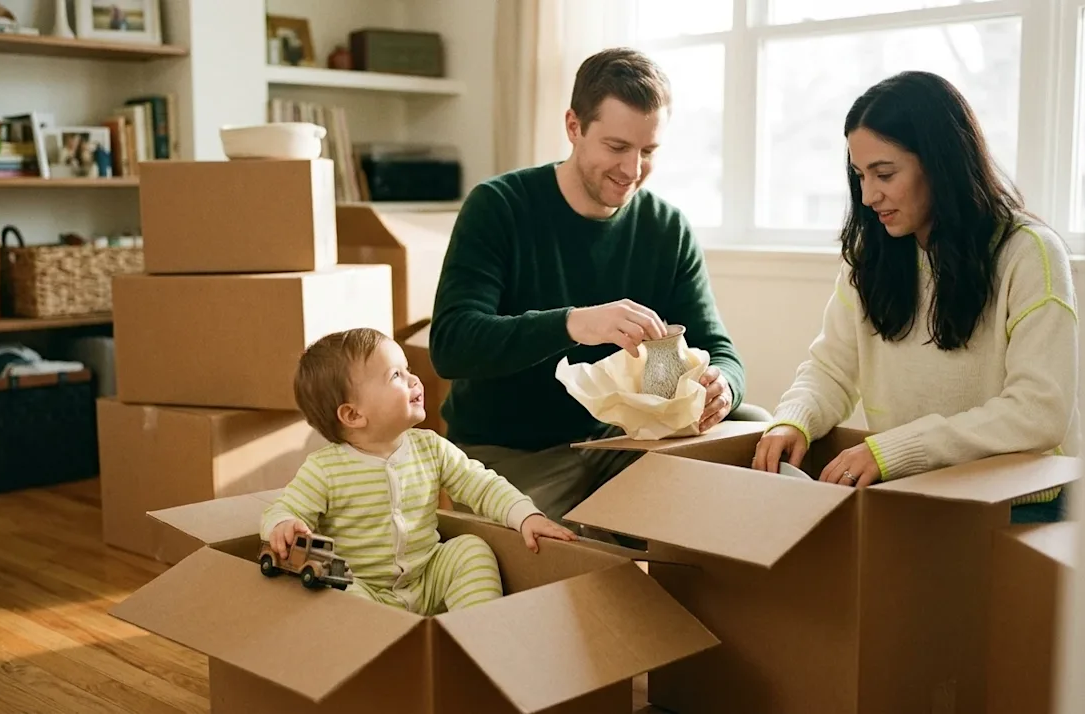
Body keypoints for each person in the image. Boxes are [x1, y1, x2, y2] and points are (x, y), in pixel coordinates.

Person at [429, 47, 758, 524]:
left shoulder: (667, 229)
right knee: (575, 564)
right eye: (617, 147)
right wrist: (572, 323)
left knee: (764, 440)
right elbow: (452, 344)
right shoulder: (498, 207)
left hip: (624, 438)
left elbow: (719, 349)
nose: (632, 170)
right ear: (573, 127)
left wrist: (724, 385)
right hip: (509, 450)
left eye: (649, 151)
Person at [751, 70, 1080, 524]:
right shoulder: (871, 254)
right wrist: (793, 418)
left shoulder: (1029, 253)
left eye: (884, 173)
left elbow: (1040, 412)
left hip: (1019, 508)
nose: (868, 195)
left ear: (940, 163)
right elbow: (832, 368)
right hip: (913, 495)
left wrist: (895, 450)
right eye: (859, 175)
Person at [261, 328, 576, 615]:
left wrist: (525, 515)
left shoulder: (431, 448)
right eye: (396, 375)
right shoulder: (324, 470)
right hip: (366, 590)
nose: (414, 380)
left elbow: (482, 485)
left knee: (470, 549)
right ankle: (390, 650)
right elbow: (284, 508)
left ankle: (479, 636)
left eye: (408, 369)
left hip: (427, 577)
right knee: (335, 590)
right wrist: (284, 524)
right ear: (354, 414)